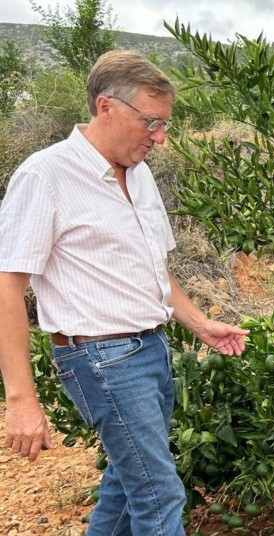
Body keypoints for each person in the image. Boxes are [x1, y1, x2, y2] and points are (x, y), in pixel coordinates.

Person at [0, 50, 249, 536]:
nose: (160, 137)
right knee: (160, 494)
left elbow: (154, 268)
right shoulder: (45, 175)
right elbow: (8, 286)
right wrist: (20, 400)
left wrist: (200, 324)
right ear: (105, 106)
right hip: (101, 358)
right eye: (151, 123)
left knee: (123, 487)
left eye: (165, 124)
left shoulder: (140, 173)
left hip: (151, 349)